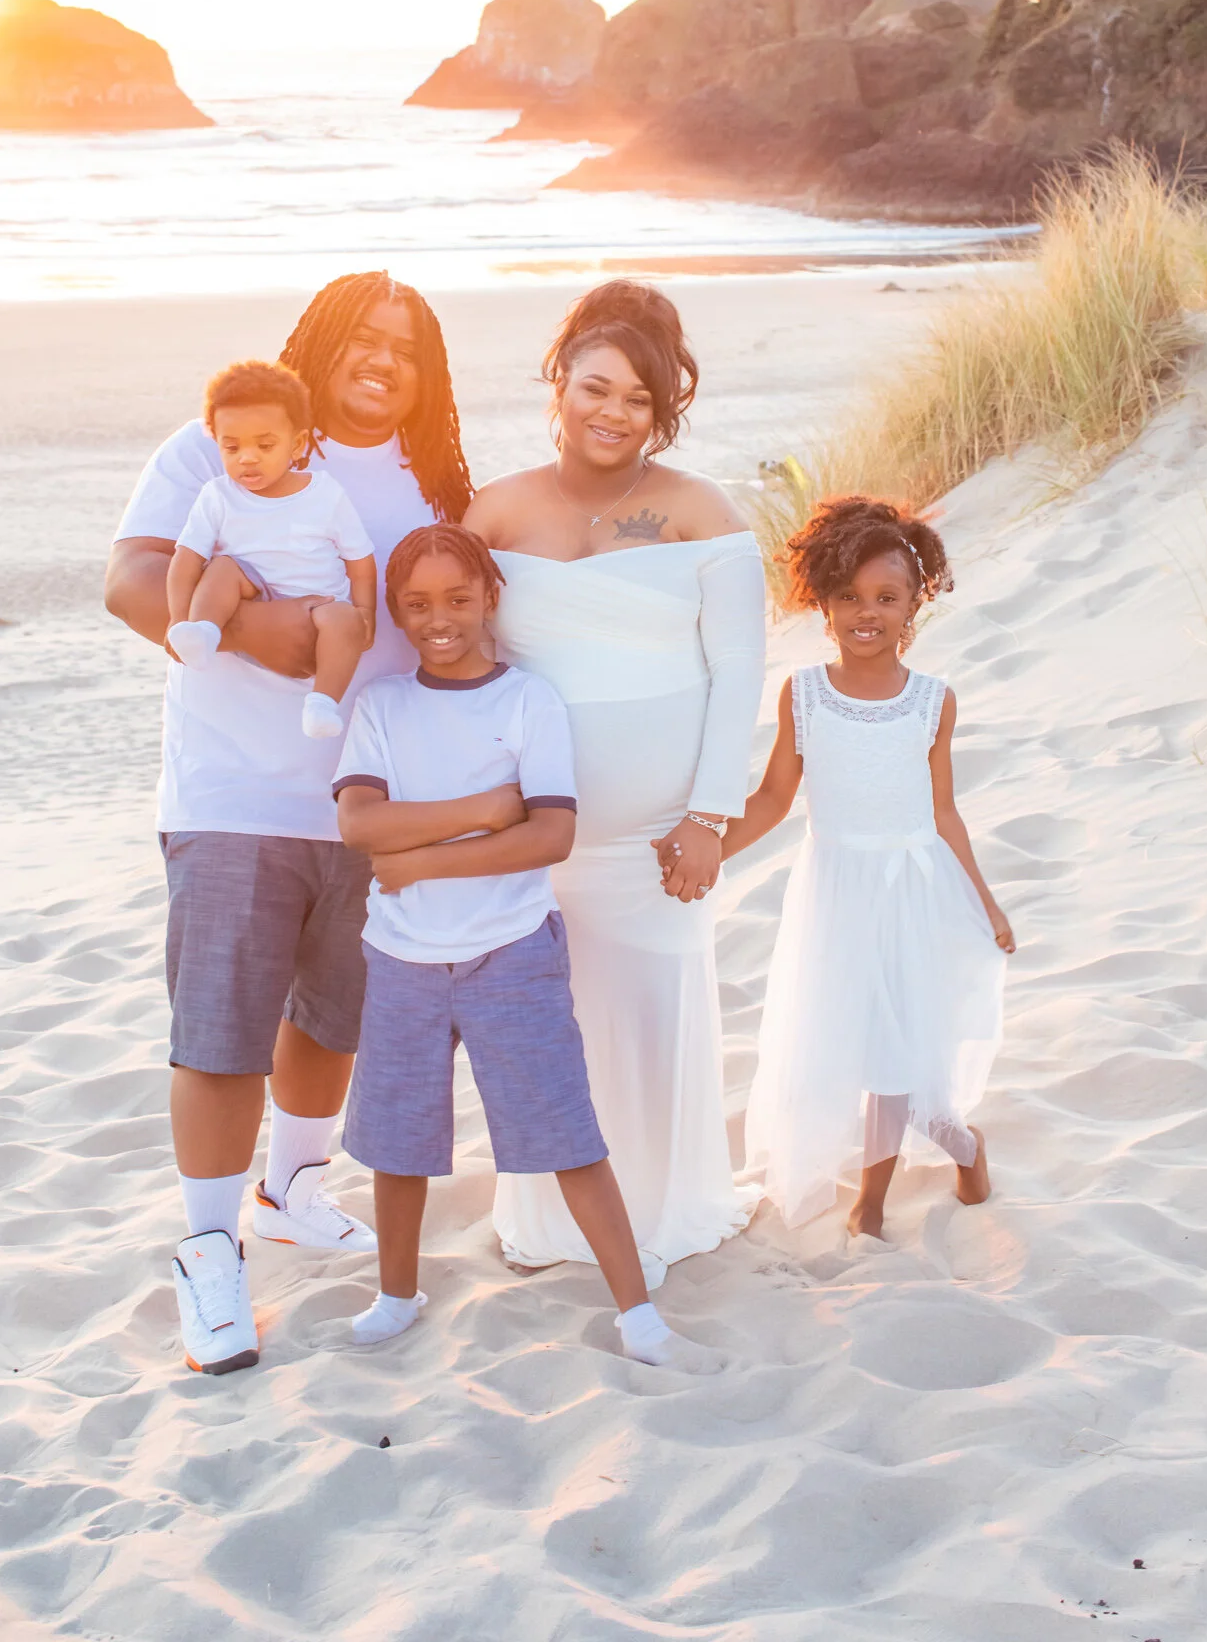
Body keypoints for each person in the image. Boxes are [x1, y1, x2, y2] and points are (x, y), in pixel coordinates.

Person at [105, 271, 471, 1375]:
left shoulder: (432, 479)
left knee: (335, 1016)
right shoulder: (222, 445)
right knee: (223, 1031)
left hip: (371, 801)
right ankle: (209, 1251)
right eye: (363, 336)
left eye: (406, 347)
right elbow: (131, 581)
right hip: (235, 793)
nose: (382, 360)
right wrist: (262, 630)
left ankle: (293, 1190)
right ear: (318, 340)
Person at [333, 524, 719, 1369]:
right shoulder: (382, 707)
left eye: (458, 599)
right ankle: (396, 1295)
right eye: (417, 604)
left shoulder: (526, 701)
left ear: (490, 600)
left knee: (564, 1132)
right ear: (396, 612)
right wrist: (482, 810)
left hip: (511, 953)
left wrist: (419, 860)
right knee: (397, 1140)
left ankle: (639, 1318)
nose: (439, 618)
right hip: (401, 958)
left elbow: (549, 836)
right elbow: (359, 823)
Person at [463, 280, 766, 1287]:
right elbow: (463, 663)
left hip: (657, 841)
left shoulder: (699, 509)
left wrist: (709, 817)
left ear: (662, 411)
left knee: (650, 1018)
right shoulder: (496, 510)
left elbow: (738, 670)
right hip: (538, 834)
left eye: (639, 399)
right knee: (552, 1027)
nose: (613, 412)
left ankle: (664, 1206)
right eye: (595, 387)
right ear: (559, 383)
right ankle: (550, 1215)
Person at [723, 495, 1014, 1239]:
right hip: (835, 894)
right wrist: (710, 849)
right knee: (850, 1046)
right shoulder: (804, 694)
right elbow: (772, 798)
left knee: (892, 1051)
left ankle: (872, 1203)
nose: (867, 613)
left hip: (915, 894)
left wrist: (985, 901)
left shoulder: (932, 701)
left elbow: (944, 812)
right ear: (823, 602)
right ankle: (961, 1144)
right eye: (849, 597)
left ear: (914, 603)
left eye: (887, 598)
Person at [166, 359, 377, 741]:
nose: (247, 457)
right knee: (222, 567)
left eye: (265, 445)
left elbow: (360, 561)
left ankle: (322, 703)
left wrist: (366, 612)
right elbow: (185, 561)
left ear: (296, 443)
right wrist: (178, 620)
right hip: (251, 597)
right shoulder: (218, 496)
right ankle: (202, 632)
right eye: (232, 447)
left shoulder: (325, 494)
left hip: (319, 610)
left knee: (344, 619)